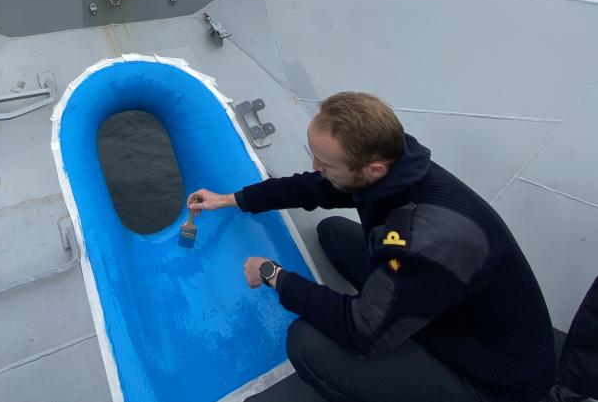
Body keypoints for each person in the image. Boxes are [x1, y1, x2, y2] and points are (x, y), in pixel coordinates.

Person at [188, 91, 555, 402]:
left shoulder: (428, 241)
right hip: (448, 306)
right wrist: (231, 199)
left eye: (326, 163)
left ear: (374, 169)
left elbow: (358, 330)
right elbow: (310, 188)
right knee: (333, 231)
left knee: (304, 342)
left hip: (490, 378)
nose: (316, 166)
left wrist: (273, 275)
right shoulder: (397, 166)